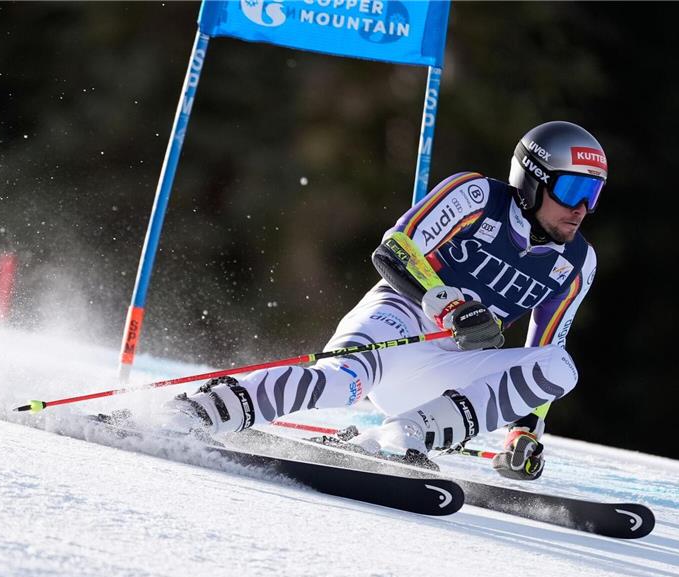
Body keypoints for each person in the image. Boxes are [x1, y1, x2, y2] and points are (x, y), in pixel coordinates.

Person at [169, 121, 606, 481]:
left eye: (593, 195)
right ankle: (201, 411)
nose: (581, 209)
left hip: (443, 369)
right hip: (399, 318)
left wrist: (523, 431)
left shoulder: (578, 263)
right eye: (571, 191)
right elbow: (395, 249)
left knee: (559, 367)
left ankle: (407, 436)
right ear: (531, 181)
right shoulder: (476, 196)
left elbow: (542, 350)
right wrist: (446, 304)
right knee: (340, 382)